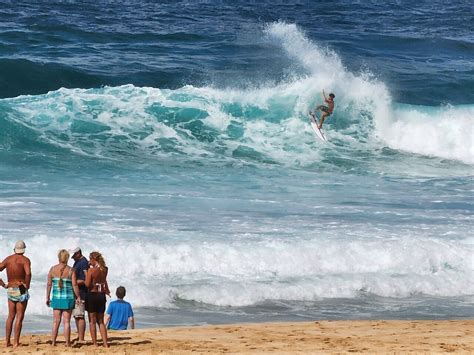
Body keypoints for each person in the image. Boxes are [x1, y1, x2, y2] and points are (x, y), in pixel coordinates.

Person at [46, 249, 81, 347]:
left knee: (56, 321)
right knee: (66, 322)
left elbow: (49, 284)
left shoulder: (52, 269)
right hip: (68, 299)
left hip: (56, 298)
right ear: (67, 258)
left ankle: (53, 342)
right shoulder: (71, 270)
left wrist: (47, 297)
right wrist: (78, 296)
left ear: (58, 258)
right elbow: (74, 285)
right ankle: (67, 342)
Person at [0, 240, 31, 348]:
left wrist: (3, 284)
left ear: (15, 249)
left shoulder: (8, 259)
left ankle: (7, 341)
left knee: (10, 316)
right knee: (19, 317)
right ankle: (16, 342)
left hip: (10, 288)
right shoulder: (25, 260)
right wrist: (27, 285)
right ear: (24, 250)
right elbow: (28, 273)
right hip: (20, 288)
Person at [85, 251, 110, 348]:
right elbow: (103, 281)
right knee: (101, 321)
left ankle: (95, 343)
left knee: (92, 321)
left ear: (93, 259)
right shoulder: (105, 269)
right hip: (101, 295)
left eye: (90, 259)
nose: (89, 261)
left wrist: (87, 272)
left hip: (92, 295)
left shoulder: (91, 271)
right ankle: (105, 343)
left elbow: (87, 284)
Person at [70, 247, 88, 342]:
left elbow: (85, 280)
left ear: (78, 253)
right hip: (77, 291)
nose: (72, 257)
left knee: (80, 315)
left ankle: (81, 338)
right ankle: (79, 336)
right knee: (77, 315)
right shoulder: (78, 262)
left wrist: (73, 282)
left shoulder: (83, 263)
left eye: (73, 255)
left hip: (81, 292)